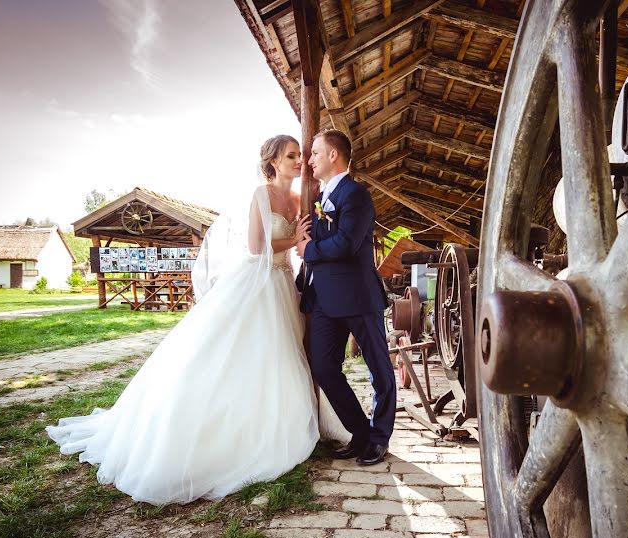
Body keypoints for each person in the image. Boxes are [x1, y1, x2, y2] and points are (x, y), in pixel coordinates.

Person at [46, 135, 349, 505]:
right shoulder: (260, 194)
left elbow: (309, 239)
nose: (298, 161)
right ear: (272, 162)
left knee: (287, 357)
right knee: (246, 354)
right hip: (259, 282)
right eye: (290, 156)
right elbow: (256, 247)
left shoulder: (301, 199)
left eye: (299, 156)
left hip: (286, 284)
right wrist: (295, 241)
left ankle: (287, 421)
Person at [295, 129, 396, 466]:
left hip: (358, 297)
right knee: (324, 367)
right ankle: (360, 432)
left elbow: (346, 244)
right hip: (324, 300)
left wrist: (309, 249)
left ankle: (379, 438)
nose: (309, 160)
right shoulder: (319, 198)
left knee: (379, 370)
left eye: (314, 153)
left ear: (333, 155)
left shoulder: (356, 195)